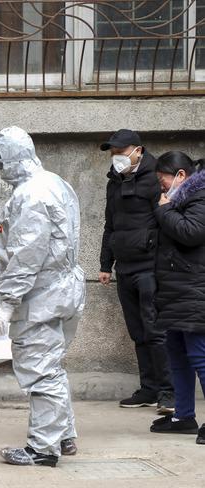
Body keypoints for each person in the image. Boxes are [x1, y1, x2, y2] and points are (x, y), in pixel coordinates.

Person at [0, 126, 85, 467]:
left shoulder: (30, 195)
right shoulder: (56, 182)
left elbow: (26, 255)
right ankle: (63, 435)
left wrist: (7, 302)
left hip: (40, 294)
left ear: (9, 159)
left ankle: (43, 448)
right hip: (62, 289)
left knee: (40, 370)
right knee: (52, 368)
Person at [99, 129, 174, 413]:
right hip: (125, 267)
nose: (116, 156)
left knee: (156, 330)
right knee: (138, 332)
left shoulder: (156, 178)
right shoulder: (114, 181)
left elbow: (167, 220)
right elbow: (110, 224)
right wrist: (106, 264)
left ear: (138, 151)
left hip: (150, 267)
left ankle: (169, 391)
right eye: (113, 152)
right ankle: (149, 388)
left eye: (121, 151)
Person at [149, 151, 205, 444]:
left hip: (195, 291)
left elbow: (192, 233)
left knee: (200, 356)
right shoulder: (178, 200)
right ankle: (183, 416)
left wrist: (165, 210)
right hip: (175, 290)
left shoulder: (199, 197)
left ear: (181, 176)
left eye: (164, 180)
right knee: (178, 356)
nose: (161, 186)